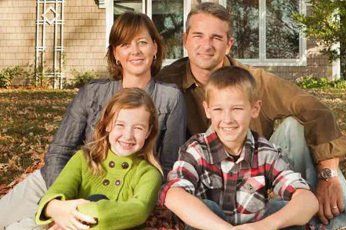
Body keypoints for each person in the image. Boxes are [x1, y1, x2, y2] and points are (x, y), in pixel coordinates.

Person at [155, 2, 346, 229]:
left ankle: (340, 223)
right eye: (198, 35)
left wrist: (328, 175)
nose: (206, 45)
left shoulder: (252, 81)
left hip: (254, 169)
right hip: (202, 180)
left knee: (292, 127)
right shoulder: (166, 82)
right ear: (185, 40)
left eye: (216, 38)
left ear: (229, 44)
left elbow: (316, 110)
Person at [0, 12, 186, 229]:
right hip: (61, 180)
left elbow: (168, 164)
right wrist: (64, 200)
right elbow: (59, 150)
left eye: (142, 42)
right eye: (125, 44)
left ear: (155, 48)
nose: (135, 51)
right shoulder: (92, 93)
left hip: (116, 192)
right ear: (116, 53)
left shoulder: (170, 98)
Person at [161, 66, 319, 229]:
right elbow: (173, 195)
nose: (227, 119)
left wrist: (263, 226)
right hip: (212, 226)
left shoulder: (265, 152)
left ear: (254, 109)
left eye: (237, 109)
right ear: (207, 110)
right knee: (206, 206)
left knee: (282, 208)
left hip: (254, 227)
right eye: (218, 109)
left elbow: (309, 201)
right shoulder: (196, 150)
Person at [35, 88, 163, 229]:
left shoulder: (149, 174)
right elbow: (55, 193)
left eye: (138, 128)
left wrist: (69, 214)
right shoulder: (83, 159)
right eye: (120, 125)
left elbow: (139, 210)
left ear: (148, 132)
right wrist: (54, 207)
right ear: (107, 124)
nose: (128, 135)